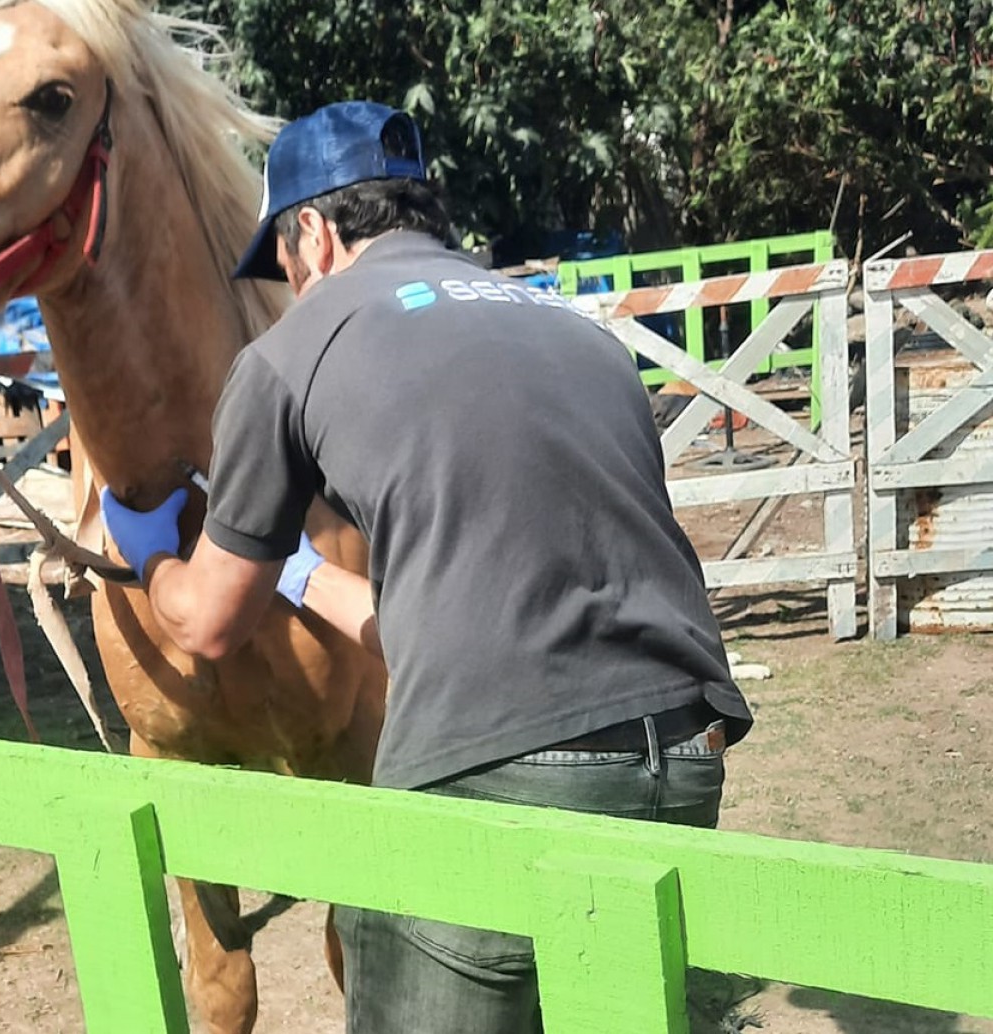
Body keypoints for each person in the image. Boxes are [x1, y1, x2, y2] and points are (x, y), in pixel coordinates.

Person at [99, 102, 752, 1034]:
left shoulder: (287, 356)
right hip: (686, 758)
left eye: (282, 264)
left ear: (313, 235)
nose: (287, 287)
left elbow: (204, 623)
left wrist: (154, 551)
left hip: (500, 774)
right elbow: (477, 606)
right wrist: (294, 573)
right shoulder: (578, 333)